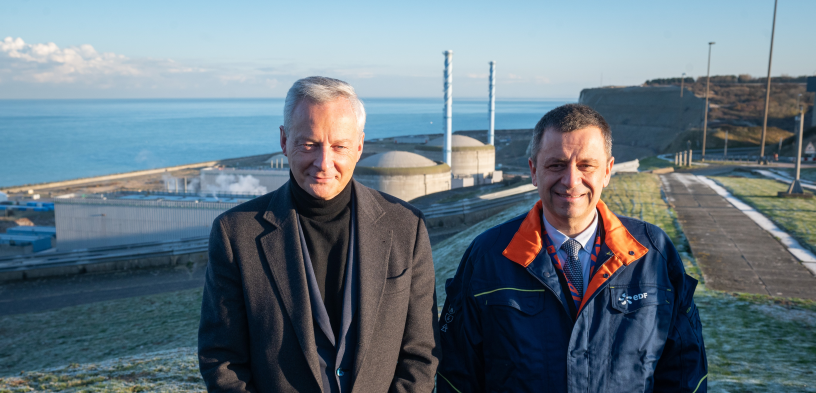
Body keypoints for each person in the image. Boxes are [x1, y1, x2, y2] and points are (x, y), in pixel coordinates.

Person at [436, 104, 707, 392]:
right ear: (534, 171)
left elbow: (685, 371)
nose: (570, 180)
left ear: (608, 171)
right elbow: (456, 375)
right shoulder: (488, 256)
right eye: (556, 165)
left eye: (586, 166)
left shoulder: (653, 253)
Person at [198, 76, 440, 392]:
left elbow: (421, 354)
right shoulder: (236, 233)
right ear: (284, 141)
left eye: (339, 146)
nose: (323, 163)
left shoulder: (406, 227)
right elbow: (222, 360)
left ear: (359, 146)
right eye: (309, 144)